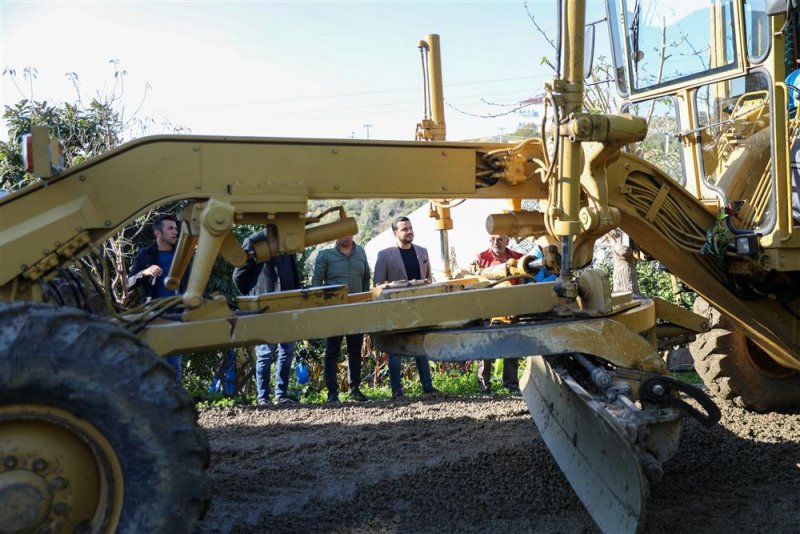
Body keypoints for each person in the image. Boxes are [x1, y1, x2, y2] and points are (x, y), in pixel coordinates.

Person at [233, 229, 301, 406]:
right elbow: (238, 275)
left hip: (288, 304)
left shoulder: (289, 240)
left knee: (287, 351)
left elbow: (293, 272)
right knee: (265, 352)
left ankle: (281, 395)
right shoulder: (253, 241)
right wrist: (253, 296)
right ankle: (263, 398)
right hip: (264, 306)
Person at [373, 216, 438, 399]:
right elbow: (378, 285)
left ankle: (428, 387)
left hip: (420, 307)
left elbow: (429, 281)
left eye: (410, 228)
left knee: (421, 347)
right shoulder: (385, 255)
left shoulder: (423, 252)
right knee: (396, 350)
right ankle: (397, 391)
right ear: (395, 233)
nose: (409, 231)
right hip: (396, 309)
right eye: (404, 229)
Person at [312, 235, 371, 404]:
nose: (346, 236)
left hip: (356, 311)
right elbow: (316, 282)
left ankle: (355, 390)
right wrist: (322, 304)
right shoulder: (325, 255)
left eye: (349, 232)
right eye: (342, 232)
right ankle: (332, 393)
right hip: (335, 312)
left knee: (355, 351)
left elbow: (366, 278)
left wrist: (365, 300)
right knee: (332, 352)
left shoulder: (360, 251)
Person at [128, 213, 187, 380]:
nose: (175, 231)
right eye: (170, 228)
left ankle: (175, 401)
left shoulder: (183, 254)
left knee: (174, 363)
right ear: (158, 234)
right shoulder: (145, 254)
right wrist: (144, 272)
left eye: (176, 228)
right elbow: (129, 283)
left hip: (176, 314)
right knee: (152, 360)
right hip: (152, 314)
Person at [473, 234, 524, 396]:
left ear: (507, 241)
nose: (496, 242)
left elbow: (523, 282)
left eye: (500, 239)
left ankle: (511, 385)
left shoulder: (518, 258)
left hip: (511, 309)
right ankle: (484, 387)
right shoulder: (481, 258)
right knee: (485, 349)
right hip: (488, 310)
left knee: (512, 348)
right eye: (492, 238)